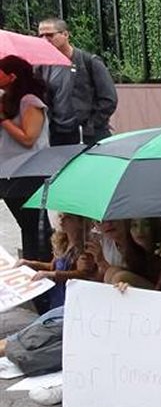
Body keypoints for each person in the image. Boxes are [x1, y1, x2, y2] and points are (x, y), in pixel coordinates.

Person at [0, 55, 50, 262]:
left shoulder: (30, 101)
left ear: (12, 76)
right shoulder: (6, 100)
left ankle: (45, 271)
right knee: (27, 227)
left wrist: (3, 119)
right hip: (8, 172)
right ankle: (32, 267)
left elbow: (29, 138)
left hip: (29, 172)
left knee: (36, 229)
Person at [37, 18, 118, 145]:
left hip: (87, 134)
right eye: (41, 35)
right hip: (58, 134)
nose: (45, 40)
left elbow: (108, 99)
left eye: (50, 35)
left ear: (65, 34)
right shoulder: (43, 66)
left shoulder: (89, 61)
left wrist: (91, 126)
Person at [18, 213, 98, 311]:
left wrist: (52, 274)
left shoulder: (86, 247)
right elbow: (52, 266)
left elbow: (81, 274)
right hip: (57, 297)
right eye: (60, 216)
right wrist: (29, 263)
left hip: (72, 300)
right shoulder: (63, 242)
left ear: (80, 223)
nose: (62, 220)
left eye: (68, 217)